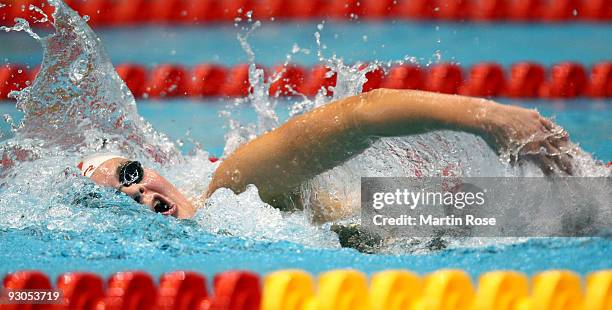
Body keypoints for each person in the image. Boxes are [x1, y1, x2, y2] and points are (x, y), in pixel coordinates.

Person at [78, 88, 572, 220]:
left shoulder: (234, 187)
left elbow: (358, 115)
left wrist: (488, 118)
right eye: (122, 197)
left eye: (131, 174)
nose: (138, 191)